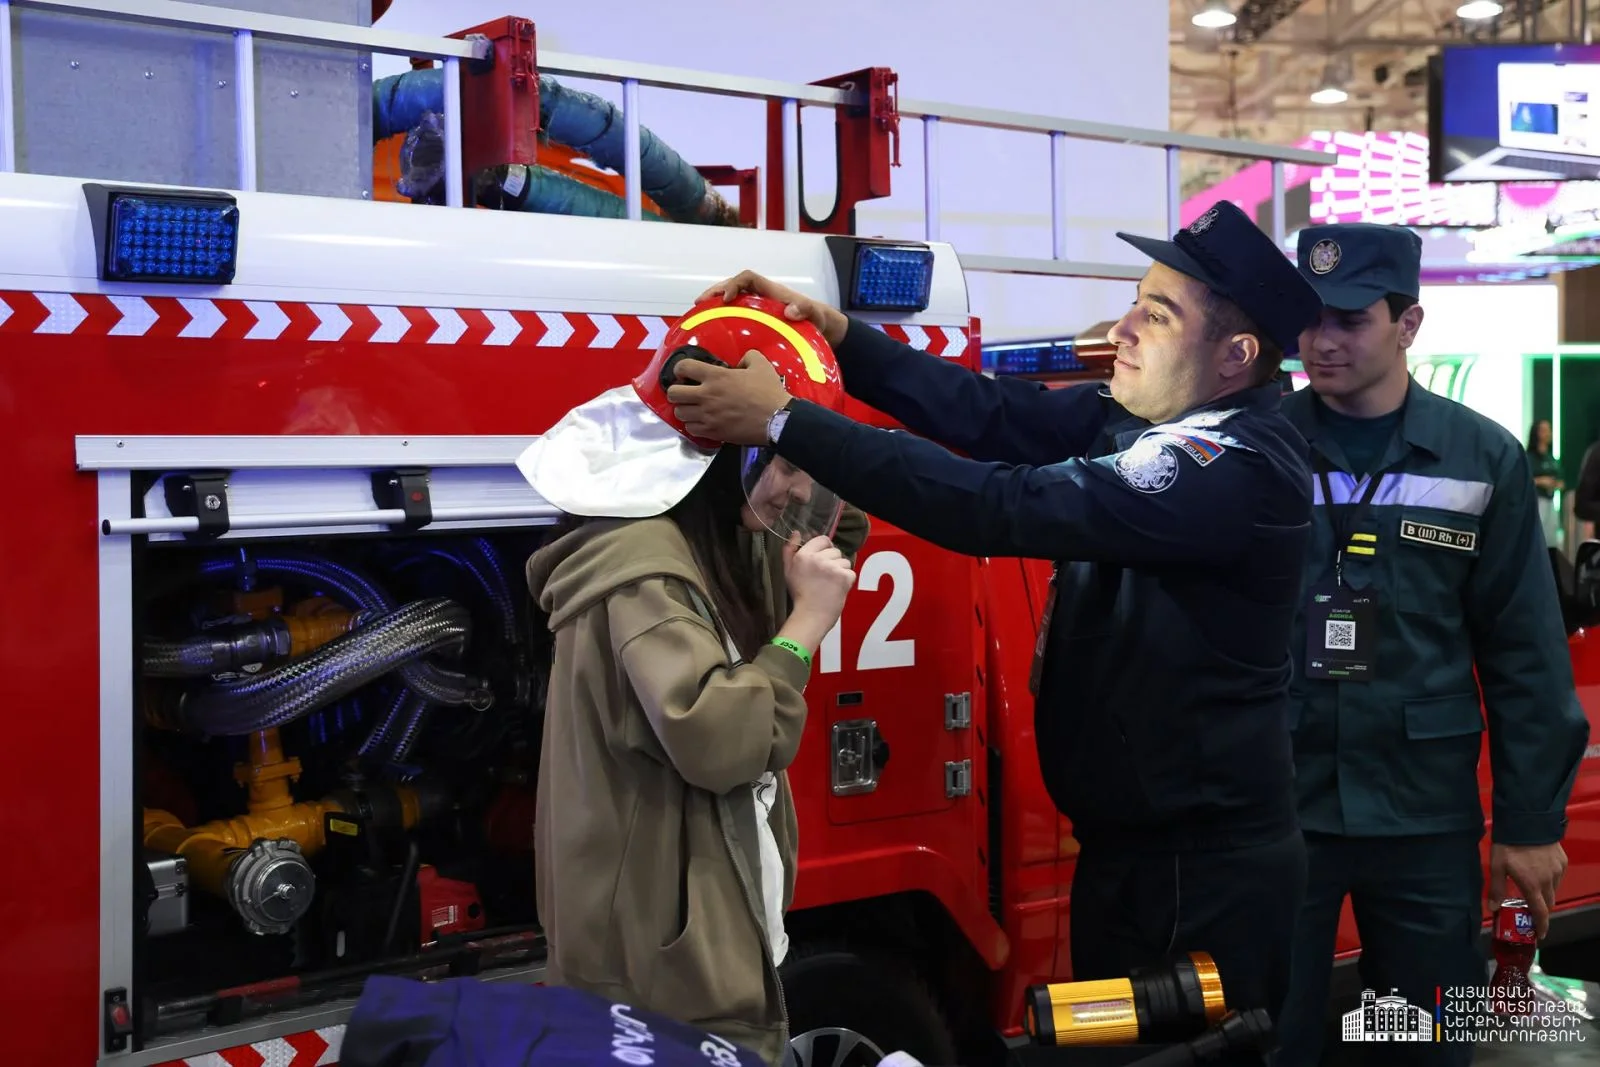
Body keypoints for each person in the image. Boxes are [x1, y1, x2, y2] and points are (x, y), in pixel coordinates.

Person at [665, 200, 1325, 1050]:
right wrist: (843, 338)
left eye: (1158, 316)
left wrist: (787, 419)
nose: (1122, 329)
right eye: (1135, 301)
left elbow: (995, 504)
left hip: (1200, 883)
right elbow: (992, 413)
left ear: (1236, 356)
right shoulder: (1155, 420)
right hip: (1134, 861)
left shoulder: (1227, 467)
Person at [515, 294, 868, 1067]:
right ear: (713, 456)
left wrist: (792, 420)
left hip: (677, 964)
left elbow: (839, 524)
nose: (796, 490)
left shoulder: (710, 536)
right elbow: (720, 738)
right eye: (781, 463)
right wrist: (804, 628)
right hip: (666, 988)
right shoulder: (645, 571)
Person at [1272, 221, 1589, 1064]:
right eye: (1309, 318)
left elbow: (1524, 652)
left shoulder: (1481, 458)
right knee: (1264, 1038)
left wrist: (1530, 822)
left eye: (1350, 320)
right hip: (1278, 804)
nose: (1321, 341)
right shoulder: (1259, 444)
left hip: (1422, 813)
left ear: (1408, 323)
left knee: (1425, 1039)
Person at [1527, 418, 1563, 548]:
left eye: (1549, 430)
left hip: (1550, 502)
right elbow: (1524, 480)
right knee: (1536, 539)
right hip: (1537, 502)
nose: (1547, 434)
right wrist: (1541, 481)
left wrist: (1557, 484)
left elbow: (1560, 479)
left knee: (1551, 540)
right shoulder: (1529, 457)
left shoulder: (1551, 458)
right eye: (1543, 430)